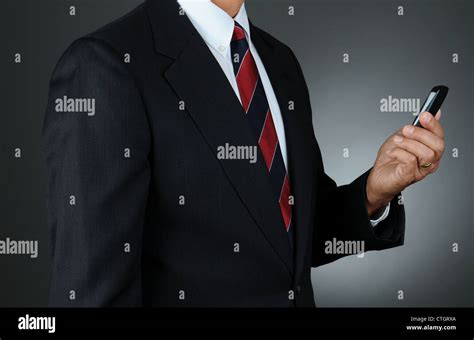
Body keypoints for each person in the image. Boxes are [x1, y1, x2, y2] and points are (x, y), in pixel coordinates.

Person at [42, 0, 445, 307]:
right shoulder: (105, 66)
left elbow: (291, 237)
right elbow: (93, 294)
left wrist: (375, 190)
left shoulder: (278, 61)